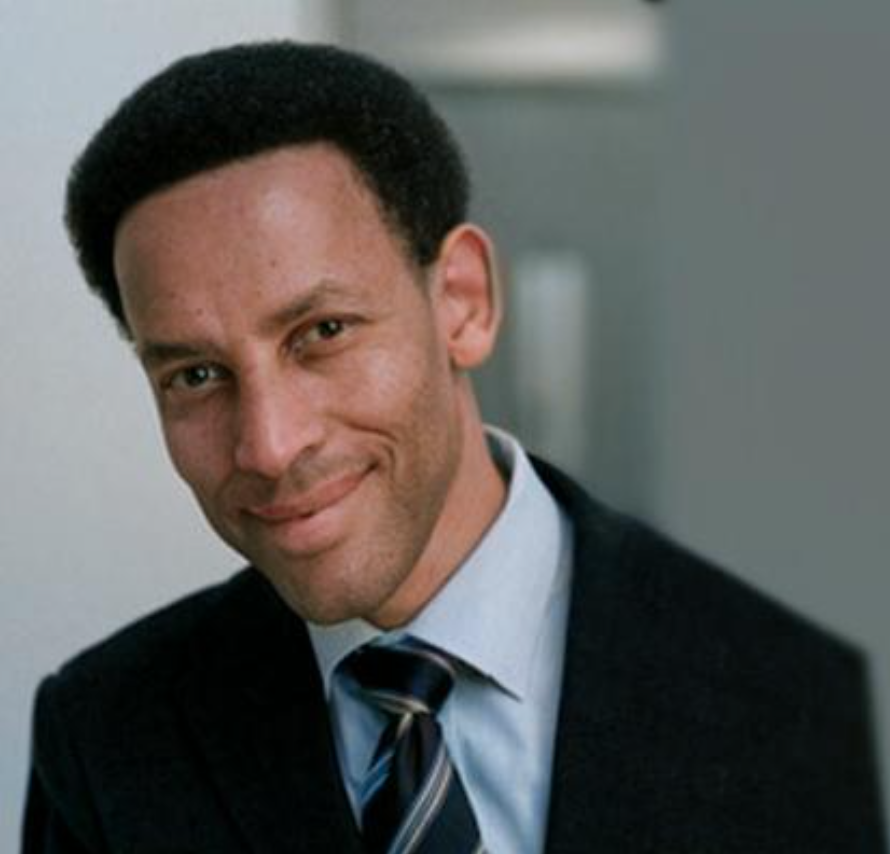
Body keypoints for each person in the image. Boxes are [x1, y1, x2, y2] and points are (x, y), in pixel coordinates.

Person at [23, 42, 885, 854]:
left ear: (462, 302)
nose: (271, 446)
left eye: (322, 331)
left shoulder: (809, 685)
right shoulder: (104, 741)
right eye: (197, 377)